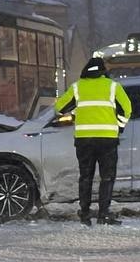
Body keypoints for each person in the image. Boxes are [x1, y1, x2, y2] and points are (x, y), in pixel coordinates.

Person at [55, 57, 133, 226]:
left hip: (84, 140)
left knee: (85, 177)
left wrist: (76, 110)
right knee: (107, 178)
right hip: (107, 140)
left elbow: (60, 107)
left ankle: (84, 214)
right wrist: (119, 126)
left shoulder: (77, 87)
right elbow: (127, 108)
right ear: (103, 71)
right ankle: (103, 214)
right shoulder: (113, 86)